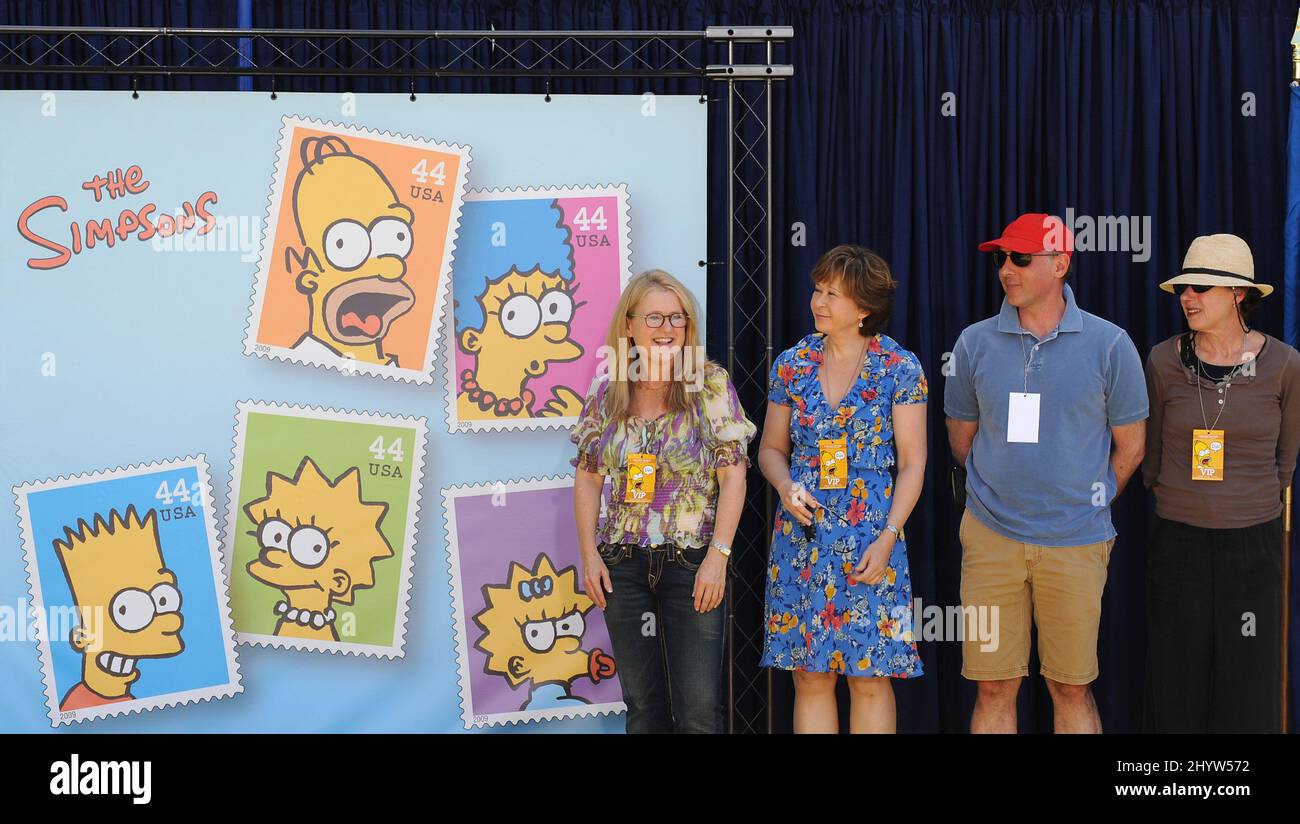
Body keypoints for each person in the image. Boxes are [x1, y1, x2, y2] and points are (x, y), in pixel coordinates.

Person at [944, 213, 1148, 734]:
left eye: (1020, 258)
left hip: (1077, 542)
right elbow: (961, 440)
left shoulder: (1110, 344)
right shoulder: (972, 344)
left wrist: (1090, 502)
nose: (1006, 270)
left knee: (1071, 685)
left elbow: (1131, 446)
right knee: (992, 685)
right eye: (1001, 259)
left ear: (1060, 263)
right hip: (991, 540)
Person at [572, 269, 756, 733]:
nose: (667, 328)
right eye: (654, 318)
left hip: (692, 563)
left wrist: (718, 556)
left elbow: (734, 476)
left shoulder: (709, 384)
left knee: (697, 712)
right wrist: (590, 555)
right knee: (644, 709)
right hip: (621, 564)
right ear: (628, 325)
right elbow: (588, 476)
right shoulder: (606, 388)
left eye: (678, 318)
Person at [758, 244, 928, 734]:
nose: (819, 301)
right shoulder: (792, 364)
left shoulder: (901, 367)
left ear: (865, 307)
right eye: (818, 289)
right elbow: (770, 449)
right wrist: (787, 485)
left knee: (870, 675)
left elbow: (914, 464)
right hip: (803, 538)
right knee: (810, 675)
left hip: (874, 538)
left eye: (834, 293)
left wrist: (890, 536)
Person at [1142, 233, 1300, 733]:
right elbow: (1152, 453)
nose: (1187, 297)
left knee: (1248, 679)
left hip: (1253, 545)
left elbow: (1286, 458)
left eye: (1202, 288)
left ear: (1237, 294)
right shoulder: (1163, 361)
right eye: (1184, 288)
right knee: (1175, 679)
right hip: (1179, 542)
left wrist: (1243, 503)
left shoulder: (1285, 364)